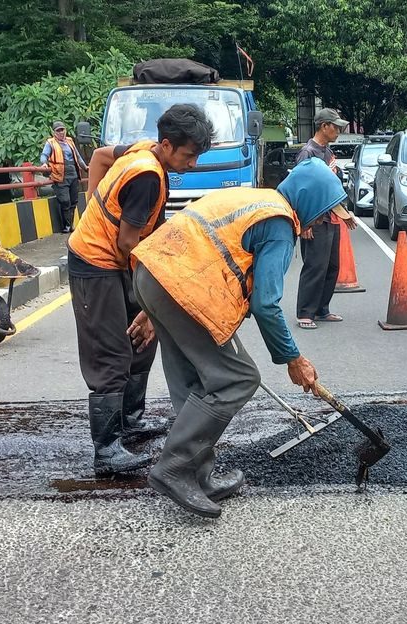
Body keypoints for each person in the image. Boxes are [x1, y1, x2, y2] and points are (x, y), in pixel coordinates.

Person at [129, 158, 351, 518]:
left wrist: (155, 302)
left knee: (192, 378)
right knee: (238, 377)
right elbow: (266, 304)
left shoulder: (256, 199)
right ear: (309, 201)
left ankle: (199, 476)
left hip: (154, 275)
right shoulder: (279, 224)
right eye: (324, 213)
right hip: (178, 287)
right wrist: (293, 359)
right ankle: (175, 467)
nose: (323, 221)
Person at [67, 104, 212, 476]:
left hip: (117, 260)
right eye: (189, 155)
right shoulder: (146, 176)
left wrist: (94, 206)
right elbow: (128, 242)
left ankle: (130, 422)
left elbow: (99, 156)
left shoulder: (144, 150)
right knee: (111, 351)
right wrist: (156, 283)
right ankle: (107, 451)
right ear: (166, 145)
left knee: (143, 339)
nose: (192, 164)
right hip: (95, 263)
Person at [295, 108, 357, 330]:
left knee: (331, 266)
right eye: (336, 126)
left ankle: (322, 309)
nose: (339, 131)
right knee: (314, 266)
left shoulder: (328, 153)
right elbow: (301, 190)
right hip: (315, 221)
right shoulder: (307, 153)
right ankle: (305, 312)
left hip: (331, 218)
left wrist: (343, 213)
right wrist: (304, 223)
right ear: (324, 126)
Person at [40, 121, 89, 233]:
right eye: (58, 130)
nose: (61, 132)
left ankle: (70, 225)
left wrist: (85, 167)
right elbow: (44, 155)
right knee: (65, 200)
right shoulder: (50, 143)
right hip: (60, 175)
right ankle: (66, 225)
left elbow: (78, 156)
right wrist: (44, 163)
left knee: (73, 200)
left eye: (62, 129)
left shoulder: (70, 141)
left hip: (73, 174)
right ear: (54, 132)